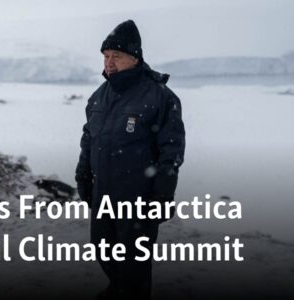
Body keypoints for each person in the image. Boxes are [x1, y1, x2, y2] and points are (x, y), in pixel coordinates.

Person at [75, 20, 186, 299]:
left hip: (138, 197)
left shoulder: (160, 97)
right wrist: (83, 175)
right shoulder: (99, 97)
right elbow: (89, 138)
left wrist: (163, 194)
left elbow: (171, 150)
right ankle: (117, 289)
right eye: (106, 56)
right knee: (102, 248)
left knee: (134, 263)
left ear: (135, 57)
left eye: (116, 56)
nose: (109, 63)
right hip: (104, 195)